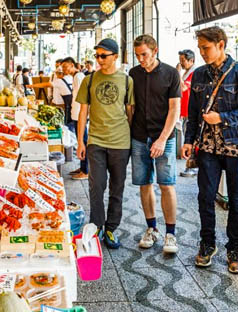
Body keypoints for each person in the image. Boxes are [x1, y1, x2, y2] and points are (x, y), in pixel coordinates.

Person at [182, 26, 238, 274]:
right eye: (200, 48)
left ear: (221, 45)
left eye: (206, 48)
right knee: (205, 197)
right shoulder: (198, 75)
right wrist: (188, 140)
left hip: (236, 145)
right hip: (207, 147)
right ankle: (207, 244)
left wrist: (224, 118)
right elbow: (194, 113)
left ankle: (234, 248)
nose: (202, 52)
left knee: (237, 200)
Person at [76, 38, 134, 249]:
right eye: (97, 55)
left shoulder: (127, 81)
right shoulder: (89, 80)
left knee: (117, 188)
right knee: (96, 185)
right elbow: (83, 112)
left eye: (104, 55)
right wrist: (81, 141)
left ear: (115, 57)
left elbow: (130, 112)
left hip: (121, 142)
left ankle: (111, 228)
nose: (99, 60)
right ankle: (96, 225)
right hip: (96, 141)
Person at [129, 34, 181, 254]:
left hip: (165, 137)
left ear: (155, 50)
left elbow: (174, 110)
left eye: (145, 55)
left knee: (166, 184)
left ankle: (171, 233)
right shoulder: (133, 74)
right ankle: (151, 228)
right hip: (140, 135)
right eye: (138, 55)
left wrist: (161, 139)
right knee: (144, 184)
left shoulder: (170, 73)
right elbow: (130, 107)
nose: (141, 59)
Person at [61, 56, 88, 180]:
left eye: (66, 67)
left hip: (79, 115)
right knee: (80, 141)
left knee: (83, 142)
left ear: (72, 65)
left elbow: (85, 97)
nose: (64, 69)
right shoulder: (75, 77)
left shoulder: (79, 77)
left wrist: (83, 114)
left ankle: (86, 171)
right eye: (63, 67)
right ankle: (82, 168)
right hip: (76, 114)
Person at [178, 49, 196, 177]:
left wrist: (177, 73)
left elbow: (183, 87)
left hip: (191, 112)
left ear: (191, 60)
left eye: (183, 61)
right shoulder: (186, 73)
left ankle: (192, 166)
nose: (181, 63)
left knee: (190, 140)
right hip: (185, 111)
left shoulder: (194, 74)